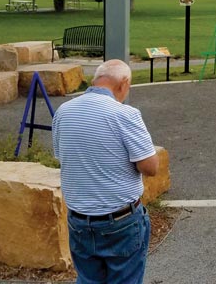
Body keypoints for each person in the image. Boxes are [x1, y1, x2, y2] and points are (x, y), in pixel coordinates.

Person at [52, 59, 159, 283]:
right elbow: (151, 167)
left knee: (88, 279)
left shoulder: (63, 111)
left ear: (95, 81)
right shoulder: (125, 114)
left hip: (79, 220)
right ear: (124, 83)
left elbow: (63, 158)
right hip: (121, 221)